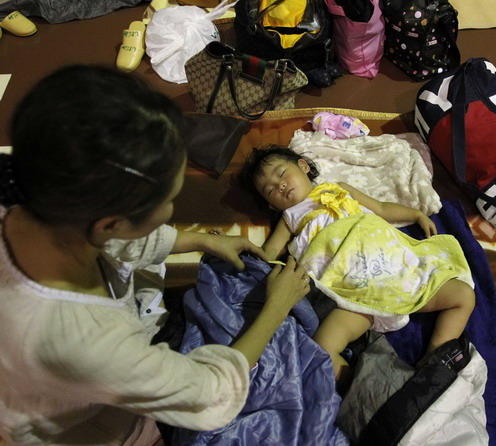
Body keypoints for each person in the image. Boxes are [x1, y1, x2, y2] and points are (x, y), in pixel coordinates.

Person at [0, 66, 311, 445]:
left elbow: (111, 241)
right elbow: (209, 392)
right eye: (167, 202)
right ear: (111, 223)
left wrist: (206, 242)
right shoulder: (87, 340)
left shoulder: (37, 201)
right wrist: (276, 308)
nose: (172, 210)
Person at [241, 146, 476, 388]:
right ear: (272, 206)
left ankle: (433, 360)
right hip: (355, 290)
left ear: (303, 166)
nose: (279, 186)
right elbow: (267, 255)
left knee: (463, 295)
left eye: (281, 173)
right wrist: (242, 253)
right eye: (270, 190)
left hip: (395, 267)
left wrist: (416, 214)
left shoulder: (340, 188)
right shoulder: (290, 219)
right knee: (323, 347)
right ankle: (364, 392)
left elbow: (382, 209)